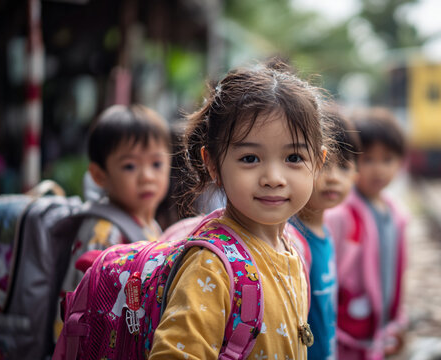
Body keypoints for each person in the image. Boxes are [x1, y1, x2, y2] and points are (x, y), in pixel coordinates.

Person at [149, 61, 328, 359]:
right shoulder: (211, 266)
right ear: (213, 164)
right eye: (249, 158)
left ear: (318, 163)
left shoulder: (290, 248)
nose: (273, 178)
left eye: (293, 157)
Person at [325, 107, 409, 360]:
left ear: (400, 162)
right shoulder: (340, 214)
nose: (378, 170)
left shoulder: (396, 214)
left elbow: (396, 271)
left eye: (387, 160)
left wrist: (397, 320)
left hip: (378, 329)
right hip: (346, 334)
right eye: (368, 159)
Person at [61, 104, 171, 292]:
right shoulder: (104, 233)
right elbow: (86, 304)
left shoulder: (150, 226)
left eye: (156, 163)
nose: (147, 176)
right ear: (99, 176)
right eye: (130, 166)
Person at [288, 105, 360, 359]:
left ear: (355, 173)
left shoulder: (327, 230)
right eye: (324, 165)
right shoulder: (290, 240)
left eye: (344, 167)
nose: (333, 178)